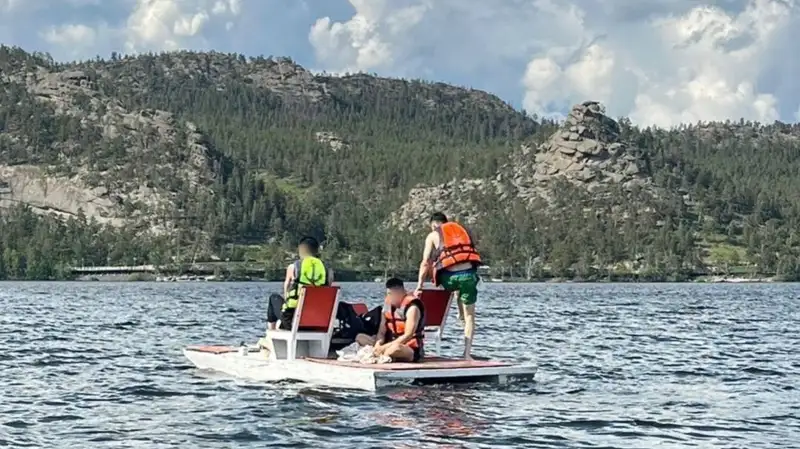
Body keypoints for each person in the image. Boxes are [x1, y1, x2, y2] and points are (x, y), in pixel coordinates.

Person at [414, 212, 482, 360]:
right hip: (469, 276)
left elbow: (425, 263)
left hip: (449, 279)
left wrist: (419, 285)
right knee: (470, 317)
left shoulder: (433, 235)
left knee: (452, 283)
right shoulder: (461, 230)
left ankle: (458, 306)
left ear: (433, 225)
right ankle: (466, 354)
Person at [266, 236, 333, 330]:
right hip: (319, 322)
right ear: (317, 251)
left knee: (274, 298)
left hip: (292, 321)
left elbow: (286, 295)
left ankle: (271, 333)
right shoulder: (327, 270)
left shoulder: (293, 267)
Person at [355, 277, 425, 363]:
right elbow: (381, 332)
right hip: (388, 343)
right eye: (389, 294)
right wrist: (378, 344)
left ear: (403, 292)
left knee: (395, 349)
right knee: (360, 337)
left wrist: (383, 348)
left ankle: (381, 354)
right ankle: (382, 353)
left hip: (408, 348)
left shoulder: (412, 308)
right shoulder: (387, 306)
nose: (392, 297)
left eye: (394, 294)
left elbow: (408, 335)